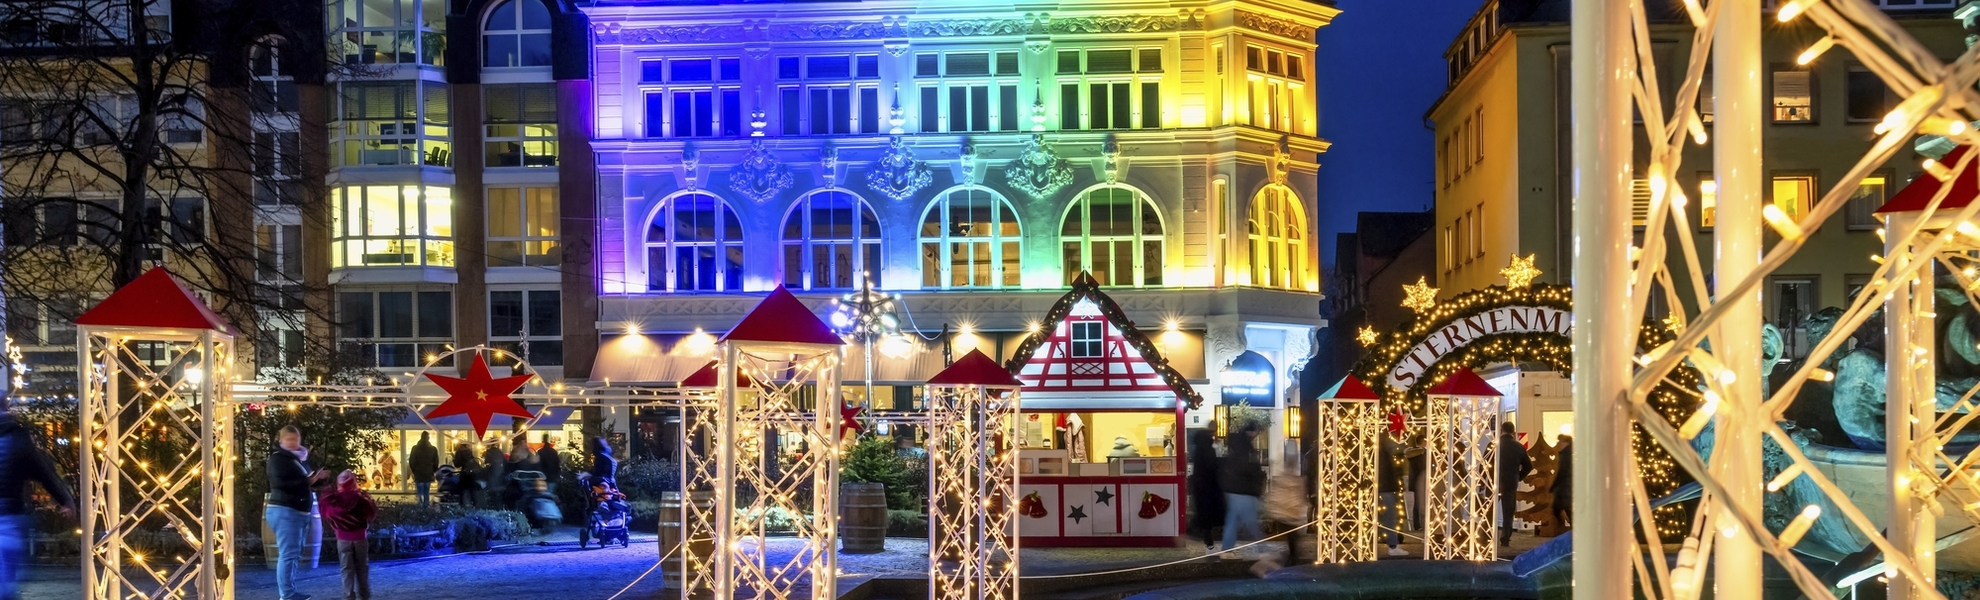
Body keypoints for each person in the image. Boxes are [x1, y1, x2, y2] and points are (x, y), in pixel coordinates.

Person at [0, 388, 75, 600]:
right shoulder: (17, 437)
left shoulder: (17, 437)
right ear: (6, 406)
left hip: (9, 519)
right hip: (9, 519)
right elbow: (42, 470)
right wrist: (65, 500)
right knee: (6, 584)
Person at [266, 424, 322, 600]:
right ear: (280, 440)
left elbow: (306, 481)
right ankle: (287, 594)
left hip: (298, 511)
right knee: (289, 553)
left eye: (296, 439)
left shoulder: (300, 459)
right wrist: (307, 481)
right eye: (289, 439)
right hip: (285, 510)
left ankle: (290, 591)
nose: (293, 443)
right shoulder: (278, 459)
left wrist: (318, 480)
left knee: (292, 553)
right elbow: (280, 484)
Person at [319, 471, 376, 600]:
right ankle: (364, 595)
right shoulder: (361, 500)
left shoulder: (333, 501)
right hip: (360, 537)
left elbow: (327, 515)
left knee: (346, 569)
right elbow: (371, 515)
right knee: (362, 568)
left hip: (343, 539)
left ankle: (349, 595)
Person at [1218, 422, 1266, 559]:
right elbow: (1247, 468)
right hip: (1244, 489)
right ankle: (1262, 551)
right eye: (1256, 432)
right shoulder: (1245, 447)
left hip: (1232, 488)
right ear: (1251, 432)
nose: (1257, 435)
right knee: (1251, 522)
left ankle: (1226, 550)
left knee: (1233, 520)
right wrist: (1256, 473)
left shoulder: (1237, 444)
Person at [1185, 429, 1224, 553]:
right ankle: (1209, 544)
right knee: (1210, 516)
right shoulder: (1209, 450)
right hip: (1210, 488)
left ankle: (1209, 543)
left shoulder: (1197, 450)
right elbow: (1213, 468)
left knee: (1204, 516)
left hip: (1200, 488)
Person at [1496, 422, 1533, 546]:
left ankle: (1486, 536)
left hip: (1494, 481)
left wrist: (1483, 481)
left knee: (1489, 510)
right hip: (1511, 481)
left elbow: (1485, 463)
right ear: (1513, 431)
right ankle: (1505, 538)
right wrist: (1519, 477)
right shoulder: (1518, 446)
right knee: (1508, 511)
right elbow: (1529, 466)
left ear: (1501, 430)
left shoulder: (1494, 445)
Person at [1377, 435, 1406, 556]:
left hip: (1383, 488)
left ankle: (1390, 543)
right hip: (1385, 488)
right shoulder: (1383, 454)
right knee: (1390, 517)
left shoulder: (1381, 454)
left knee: (1385, 518)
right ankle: (1393, 546)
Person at [408, 432, 439, 507]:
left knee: (419, 491)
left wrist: (414, 470)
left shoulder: (415, 448)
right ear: (428, 438)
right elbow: (436, 462)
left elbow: (412, 461)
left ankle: (420, 506)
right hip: (428, 472)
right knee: (426, 491)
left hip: (418, 472)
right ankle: (426, 505)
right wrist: (433, 471)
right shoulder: (433, 449)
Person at [1551, 434, 1574, 530]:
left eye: (1560, 441)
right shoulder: (1568, 453)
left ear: (1566, 443)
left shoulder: (1566, 454)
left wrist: (1553, 485)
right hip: (1566, 485)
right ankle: (1568, 529)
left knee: (1560, 508)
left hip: (1565, 486)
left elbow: (1562, 471)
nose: (1558, 443)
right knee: (1564, 508)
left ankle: (1565, 529)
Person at [480, 438, 507, 508]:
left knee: (492, 498)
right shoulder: (500, 452)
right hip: (500, 479)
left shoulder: (489, 452)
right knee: (498, 499)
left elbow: (487, 465)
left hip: (492, 479)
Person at [451, 442, 479, 507]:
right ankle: (474, 506)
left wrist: (453, 458)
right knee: (472, 492)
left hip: (465, 474)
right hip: (473, 474)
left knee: (464, 492)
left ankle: (465, 507)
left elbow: (457, 464)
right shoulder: (469, 451)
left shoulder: (460, 452)